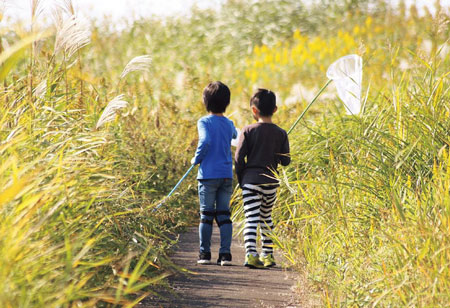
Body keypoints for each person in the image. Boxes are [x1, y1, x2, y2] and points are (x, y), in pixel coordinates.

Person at [234, 88, 290, 268]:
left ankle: (251, 254)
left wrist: (241, 177)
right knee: (267, 218)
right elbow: (285, 161)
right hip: (271, 183)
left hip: (250, 181)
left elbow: (238, 158)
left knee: (251, 218)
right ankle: (268, 255)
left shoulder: (248, 130)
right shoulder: (281, 133)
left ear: (253, 110)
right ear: (275, 109)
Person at [192, 81, 237, 266]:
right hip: (226, 174)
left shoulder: (203, 121)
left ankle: (205, 254)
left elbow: (206, 140)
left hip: (208, 175)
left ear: (205, 101)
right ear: (227, 102)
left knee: (206, 215)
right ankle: (225, 255)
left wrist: (196, 159)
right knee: (224, 215)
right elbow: (235, 136)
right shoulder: (229, 123)